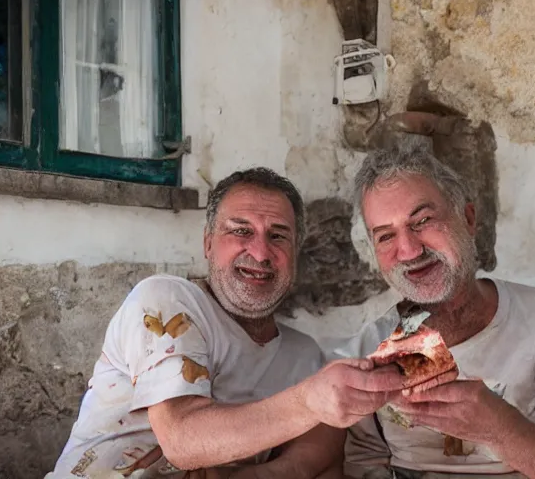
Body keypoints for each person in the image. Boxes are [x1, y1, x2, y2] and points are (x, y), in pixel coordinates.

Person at [47, 168, 406, 478]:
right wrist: (311, 401)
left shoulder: (303, 355)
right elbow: (183, 440)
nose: (261, 252)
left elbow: (322, 461)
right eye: (240, 231)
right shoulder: (167, 301)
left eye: (278, 236)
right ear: (207, 243)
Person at [342, 145, 535, 479]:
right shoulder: (371, 345)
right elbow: (364, 463)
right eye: (386, 236)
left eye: (423, 220)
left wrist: (499, 429)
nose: (409, 250)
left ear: (468, 219)